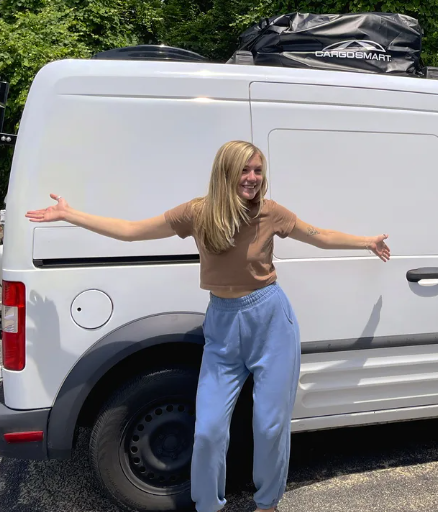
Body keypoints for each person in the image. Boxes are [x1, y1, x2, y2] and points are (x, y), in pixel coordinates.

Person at [25, 140, 391, 512]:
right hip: (223, 325)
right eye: (244, 170)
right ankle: (208, 505)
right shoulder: (198, 213)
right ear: (226, 172)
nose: (252, 178)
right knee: (209, 430)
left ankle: (267, 504)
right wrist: (71, 215)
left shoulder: (270, 213)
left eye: (258, 170)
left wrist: (366, 241)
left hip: (271, 322)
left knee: (270, 427)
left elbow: (319, 235)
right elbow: (131, 230)